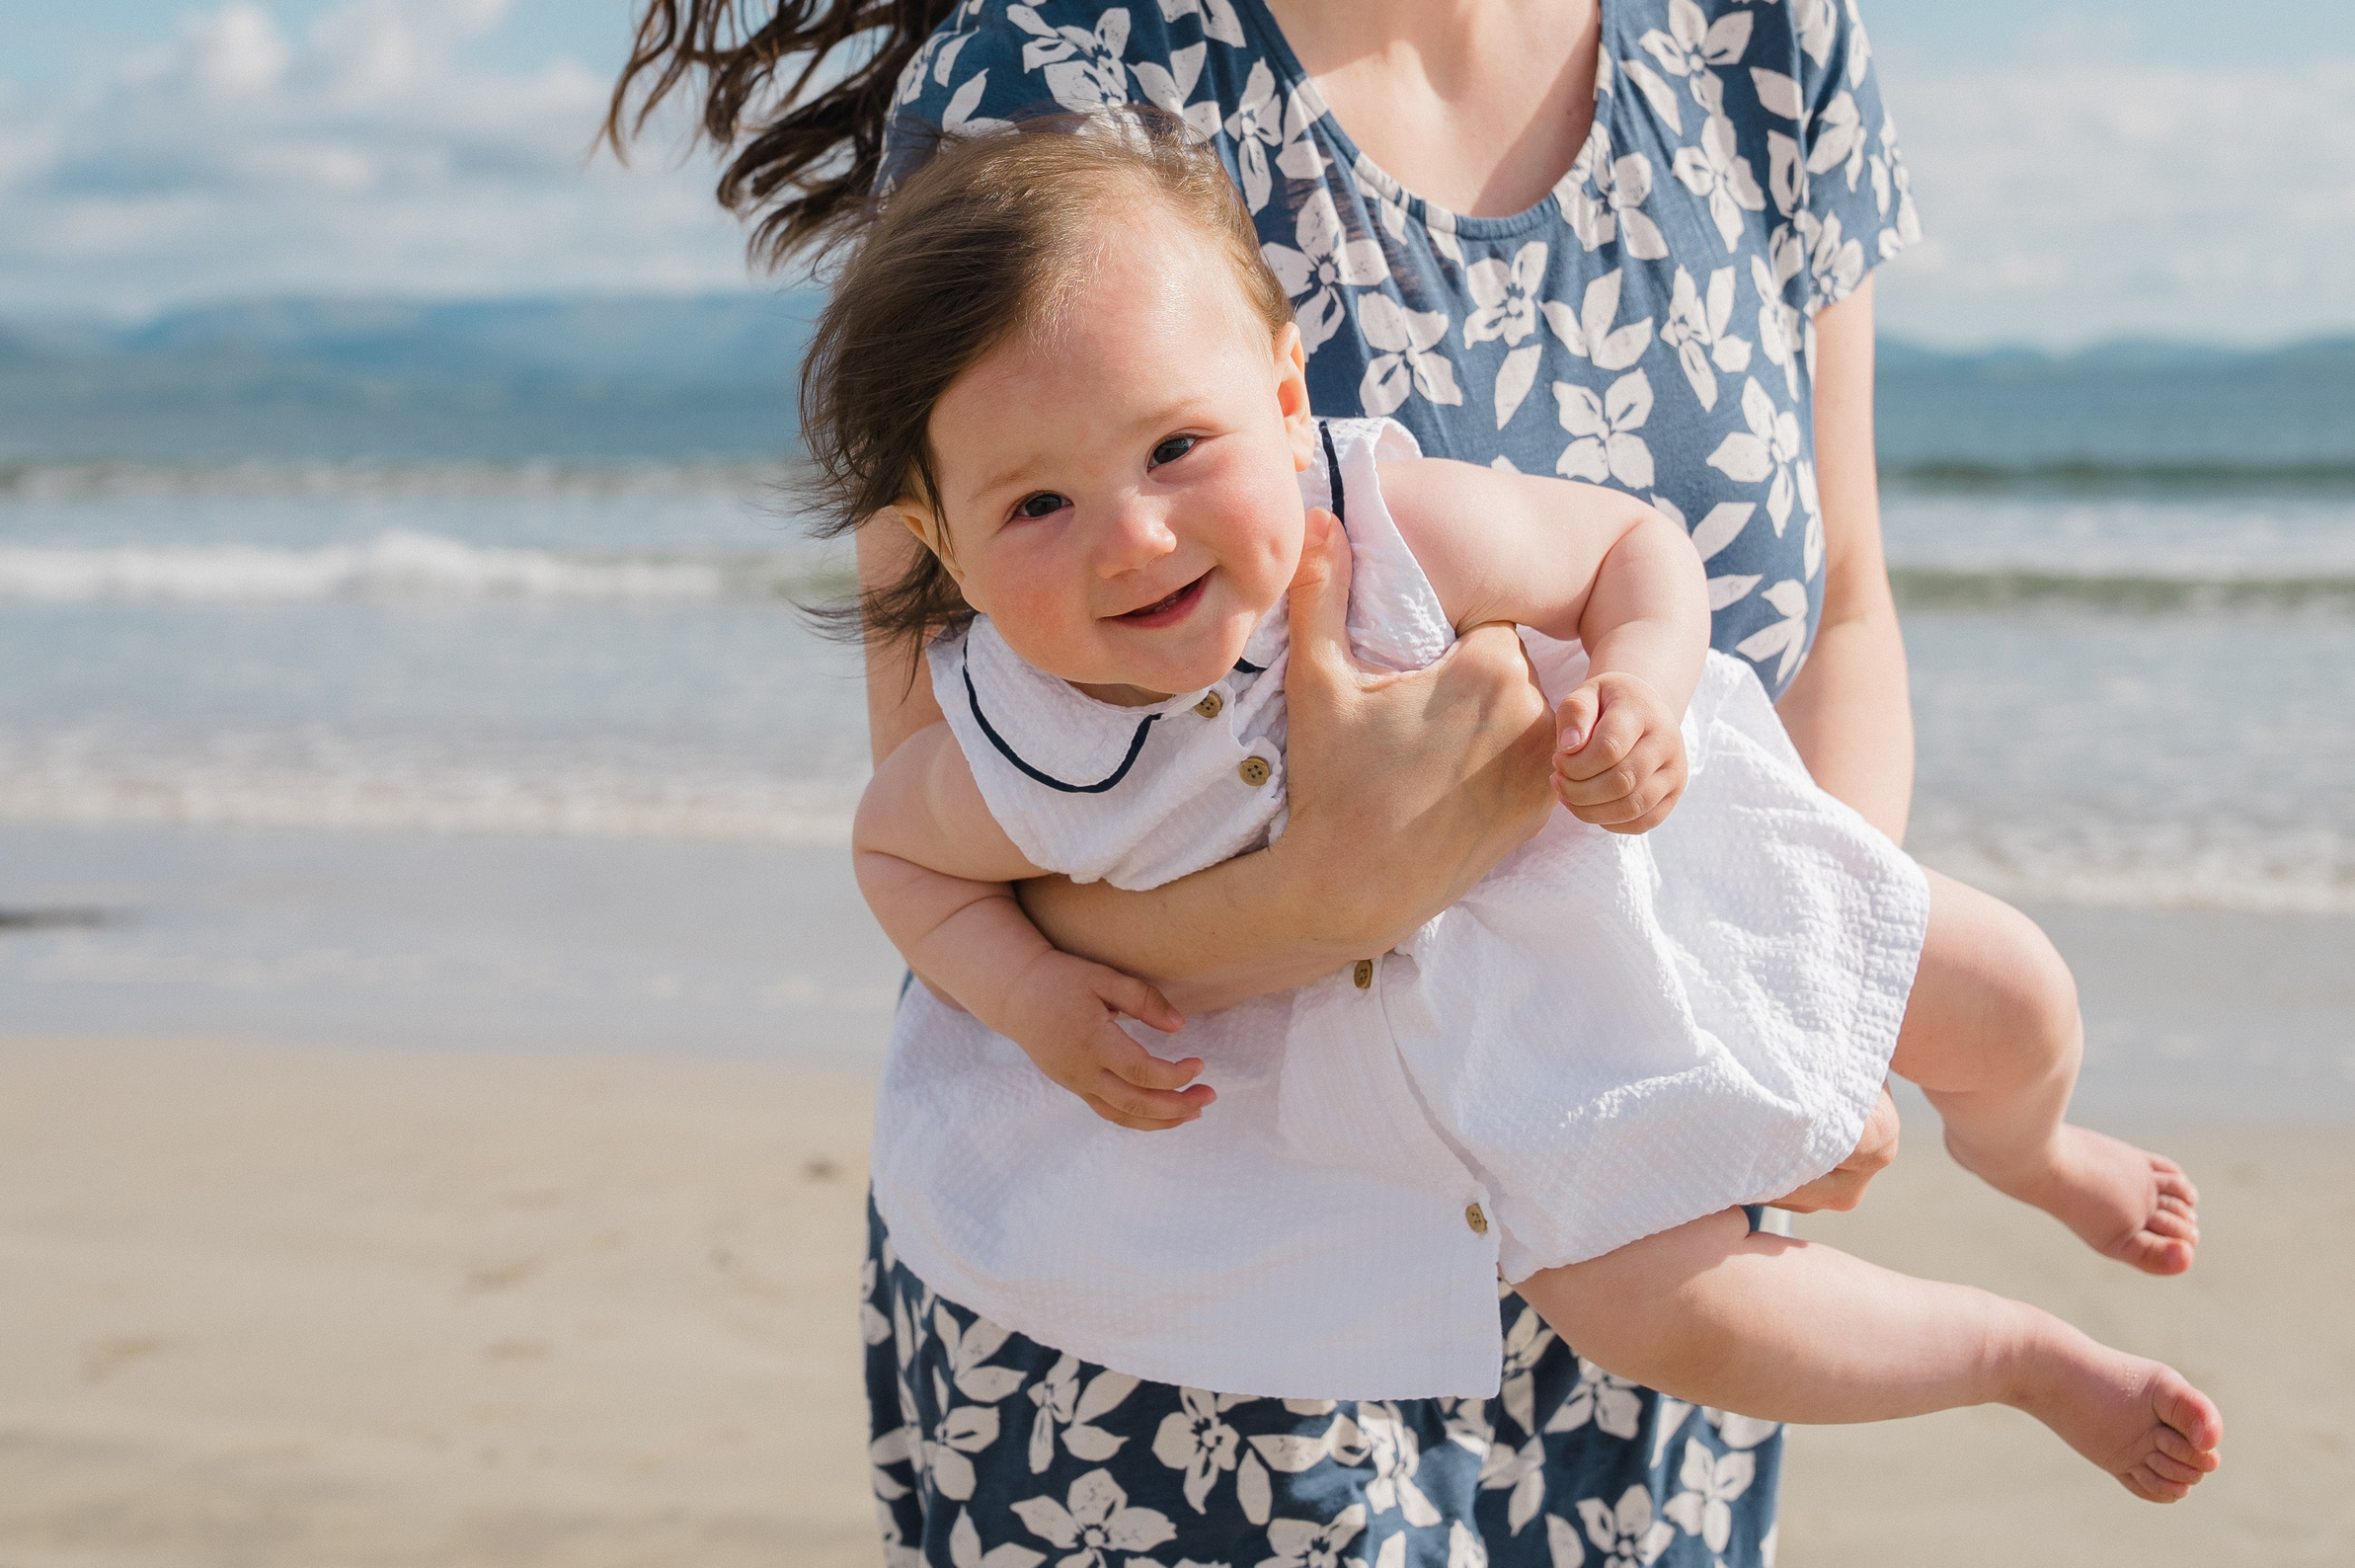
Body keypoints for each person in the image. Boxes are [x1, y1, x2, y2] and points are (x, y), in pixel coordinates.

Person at [606, 2, 2174, 1561]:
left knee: (2004, 1002)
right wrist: (1323, 900)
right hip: (1208, 1299)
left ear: (1287, 396)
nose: (1134, 534)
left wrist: (1788, 1018)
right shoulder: (1055, 71)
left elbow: (1836, 616)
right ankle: (2013, 1347)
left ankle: (2025, 1178)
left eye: (1174, 454)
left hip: (1634, 1139)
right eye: (1044, 505)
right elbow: (938, 833)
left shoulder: (1760, 39)